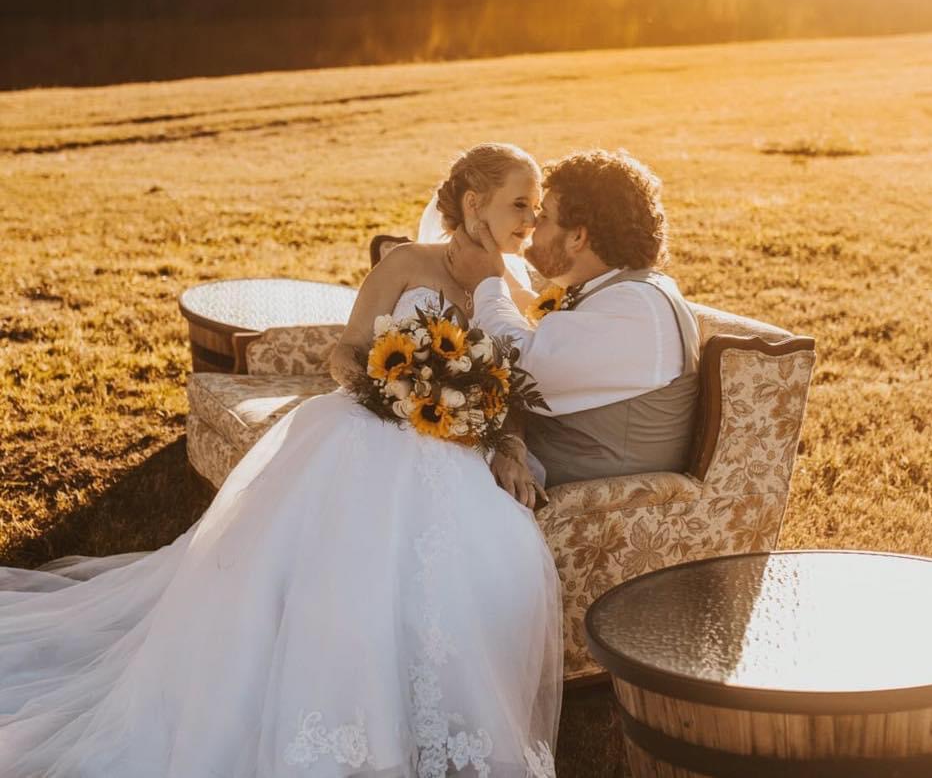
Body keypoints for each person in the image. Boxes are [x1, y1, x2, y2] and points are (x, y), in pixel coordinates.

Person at [0, 143, 562, 778]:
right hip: (369, 426)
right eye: (521, 204)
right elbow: (346, 352)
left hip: (455, 450)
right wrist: (393, 390)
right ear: (472, 203)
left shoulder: (515, 289)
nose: (530, 221)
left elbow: (511, 387)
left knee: (496, 546)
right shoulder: (408, 262)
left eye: (537, 209)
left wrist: (509, 444)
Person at [447, 149, 701, 488]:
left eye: (545, 216)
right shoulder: (616, 291)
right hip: (536, 461)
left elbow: (516, 368)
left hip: (586, 489)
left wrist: (486, 282)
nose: (532, 224)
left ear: (578, 237)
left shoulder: (636, 307)